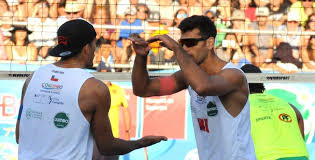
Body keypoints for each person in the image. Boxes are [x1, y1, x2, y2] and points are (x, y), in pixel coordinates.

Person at [15, 19, 167, 160]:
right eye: (95, 45)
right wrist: (139, 143)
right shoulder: (94, 88)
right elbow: (107, 147)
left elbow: (18, 135)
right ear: (87, 48)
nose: (95, 51)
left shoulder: (32, 79)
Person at [129, 15, 256, 160]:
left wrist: (177, 49)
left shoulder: (233, 76)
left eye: (190, 43)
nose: (185, 48)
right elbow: (142, 89)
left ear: (209, 43)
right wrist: (141, 56)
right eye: (182, 43)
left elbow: (203, 86)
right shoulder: (187, 77)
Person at [240, 64, 309, 160]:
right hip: (300, 156)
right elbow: (299, 121)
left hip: (267, 157)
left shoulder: (241, 107)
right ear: (262, 81)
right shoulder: (290, 106)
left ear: (239, 84)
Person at [93, 81, 131, 160]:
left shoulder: (118, 89)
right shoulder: (92, 88)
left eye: (107, 71)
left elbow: (126, 110)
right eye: (102, 72)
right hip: (95, 137)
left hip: (113, 137)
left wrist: (127, 131)